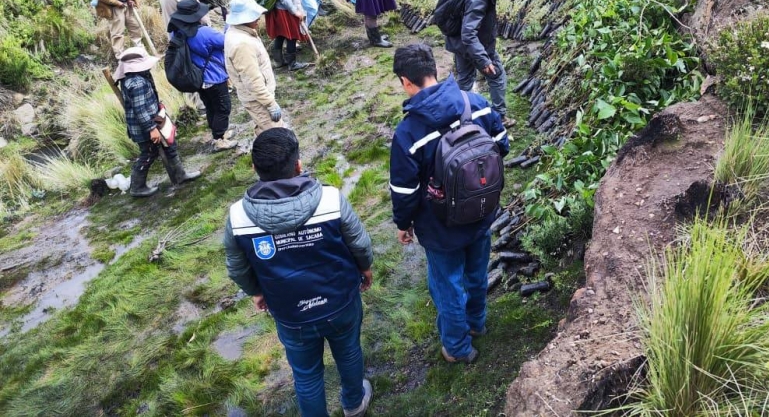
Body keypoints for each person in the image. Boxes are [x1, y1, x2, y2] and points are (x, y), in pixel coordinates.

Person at [224, 127, 374, 417]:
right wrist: (365, 269)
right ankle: (354, 403)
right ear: (299, 165)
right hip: (340, 301)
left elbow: (236, 267)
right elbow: (360, 243)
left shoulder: (238, 216)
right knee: (349, 351)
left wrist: (255, 291)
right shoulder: (331, 199)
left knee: (306, 374)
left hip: (290, 313)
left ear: (255, 169)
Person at [388, 43, 509, 365]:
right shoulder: (477, 104)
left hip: (440, 226)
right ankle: (477, 324)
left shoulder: (408, 132)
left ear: (405, 81)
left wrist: (404, 224)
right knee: (476, 272)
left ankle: (457, 347)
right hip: (482, 210)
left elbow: (404, 192)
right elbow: (502, 147)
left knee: (448, 286)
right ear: (434, 70)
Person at [114, 46, 201, 197]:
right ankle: (137, 186)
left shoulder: (137, 77)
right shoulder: (136, 83)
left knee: (170, 145)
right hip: (145, 127)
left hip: (153, 120)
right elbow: (140, 110)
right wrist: (151, 128)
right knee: (148, 153)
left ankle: (180, 175)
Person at [443, 0, 517, 123]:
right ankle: (499, 117)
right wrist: (483, 59)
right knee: (497, 76)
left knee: (465, 78)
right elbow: (469, 34)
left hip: (457, 42)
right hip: (475, 44)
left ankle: (461, 118)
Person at [168, 0, 236, 151]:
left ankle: (218, 134)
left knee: (211, 106)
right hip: (214, 77)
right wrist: (228, 23)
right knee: (223, 108)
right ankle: (219, 139)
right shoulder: (204, 32)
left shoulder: (177, 32)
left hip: (197, 78)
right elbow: (227, 41)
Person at [224, 0, 281, 134]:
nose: (258, 18)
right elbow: (252, 80)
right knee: (277, 136)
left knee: (265, 131)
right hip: (258, 100)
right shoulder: (242, 44)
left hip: (257, 97)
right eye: (254, 15)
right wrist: (270, 103)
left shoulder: (240, 32)